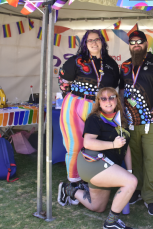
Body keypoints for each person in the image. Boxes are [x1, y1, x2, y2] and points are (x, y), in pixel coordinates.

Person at [57, 87, 137, 229]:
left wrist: (129, 171)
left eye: (111, 97)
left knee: (97, 206)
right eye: (103, 98)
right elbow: (88, 142)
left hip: (106, 166)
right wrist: (113, 144)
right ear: (98, 102)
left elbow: (126, 147)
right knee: (131, 182)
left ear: (117, 99)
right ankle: (111, 223)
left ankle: (68, 190)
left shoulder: (121, 119)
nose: (108, 101)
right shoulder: (95, 118)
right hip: (92, 162)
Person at [58, 30, 120, 198]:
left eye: (97, 39)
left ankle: (87, 180)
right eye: (89, 40)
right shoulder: (77, 60)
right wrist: (71, 98)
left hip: (98, 108)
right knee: (75, 146)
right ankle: (72, 184)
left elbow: (112, 88)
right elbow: (63, 80)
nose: (93, 43)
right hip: (75, 104)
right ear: (85, 43)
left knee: (92, 145)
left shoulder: (111, 64)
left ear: (102, 42)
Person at [119, 30, 153, 215]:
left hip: (151, 122)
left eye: (139, 41)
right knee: (135, 159)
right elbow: (121, 91)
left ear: (146, 43)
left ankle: (150, 197)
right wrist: (122, 114)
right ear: (129, 45)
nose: (136, 44)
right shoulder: (124, 65)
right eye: (132, 42)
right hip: (130, 122)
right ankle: (137, 191)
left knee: (151, 159)